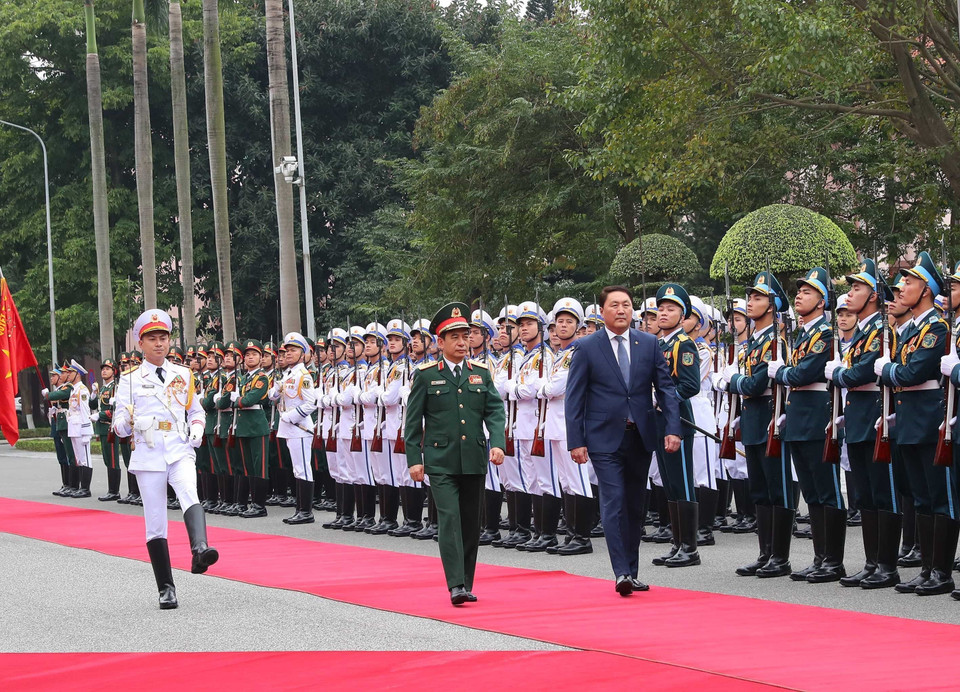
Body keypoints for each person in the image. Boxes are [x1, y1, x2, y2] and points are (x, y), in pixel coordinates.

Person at [565, 285, 682, 595]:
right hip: (604, 439)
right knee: (614, 502)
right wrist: (576, 440)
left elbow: (666, 389)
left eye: (626, 305)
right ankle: (620, 572)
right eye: (614, 305)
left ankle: (632, 569)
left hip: (641, 435)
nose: (621, 310)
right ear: (602, 311)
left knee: (634, 506)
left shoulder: (649, 343)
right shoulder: (587, 347)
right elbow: (574, 398)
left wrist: (672, 428)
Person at [112, 309, 219, 609]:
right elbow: (118, 423)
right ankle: (166, 588)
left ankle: (200, 550)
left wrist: (197, 431)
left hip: (178, 446)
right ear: (140, 343)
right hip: (148, 452)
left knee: (189, 492)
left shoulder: (183, 374)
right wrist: (126, 423)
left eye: (163, 338)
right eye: (152, 339)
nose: (159, 343)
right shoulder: (130, 379)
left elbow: (196, 411)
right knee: (156, 522)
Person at [404, 303, 506, 605]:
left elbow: (495, 412)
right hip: (440, 461)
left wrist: (497, 443)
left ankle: (467, 581)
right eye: (456, 337)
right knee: (449, 519)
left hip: (473, 459)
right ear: (440, 342)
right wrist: (414, 460)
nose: (463, 343)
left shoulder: (481, 374)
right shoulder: (424, 376)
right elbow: (412, 422)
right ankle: (456, 584)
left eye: (467, 336)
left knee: (470, 523)